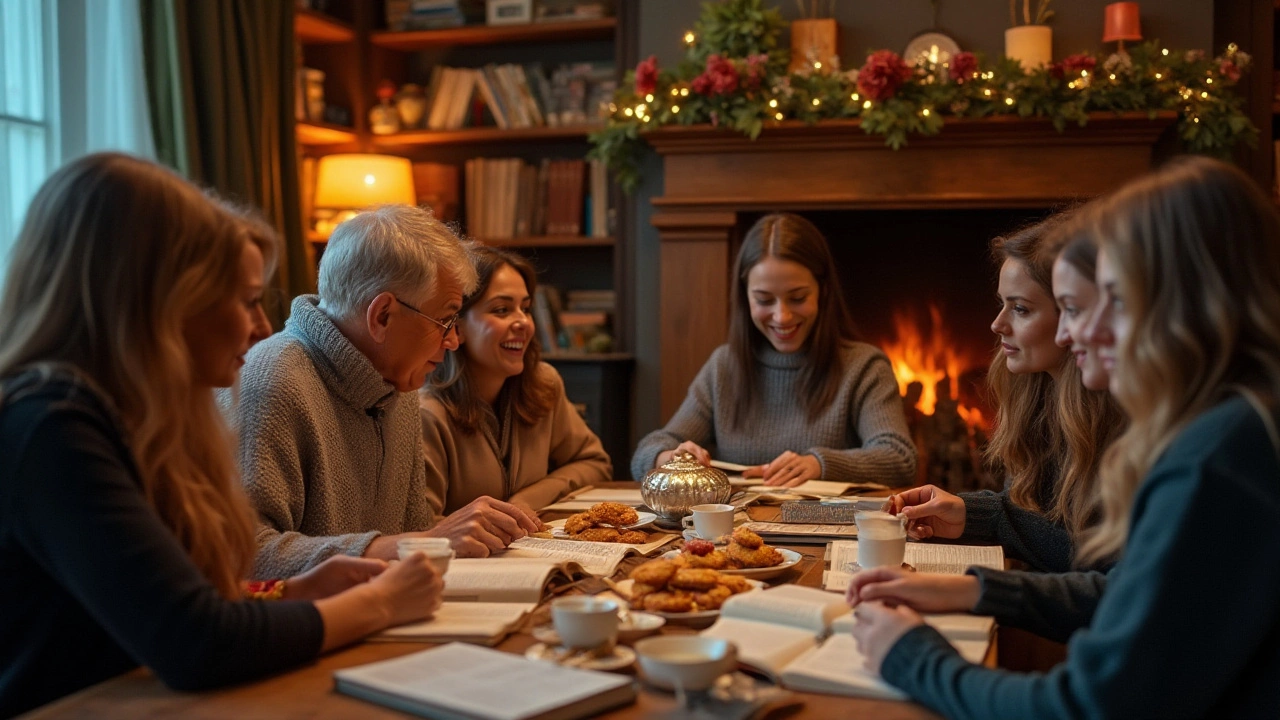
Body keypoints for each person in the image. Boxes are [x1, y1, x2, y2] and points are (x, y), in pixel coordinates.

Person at [0, 154, 444, 718]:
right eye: (245, 300)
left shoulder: (132, 418)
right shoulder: (51, 426)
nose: (262, 327)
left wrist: (289, 594)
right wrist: (378, 603)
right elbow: (194, 641)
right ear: (158, 299)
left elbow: (171, 600)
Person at [848, 156, 1280, 718]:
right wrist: (979, 589)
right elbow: (1128, 588)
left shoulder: (1217, 456)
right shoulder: (1240, 424)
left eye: (1112, 302)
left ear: (1186, 303)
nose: (1080, 332)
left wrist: (910, 655)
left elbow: (1085, 706)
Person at [229, 205, 541, 579]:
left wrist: (442, 536)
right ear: (382, 316)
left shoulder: (397, 384)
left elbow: (412, 528)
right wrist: (410, 544)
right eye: (445, 320)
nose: (454, 340)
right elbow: (243, 552)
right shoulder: (270, 381)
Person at [886, 215, 1125, 573]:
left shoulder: (1126, 419)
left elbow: (1097, 564)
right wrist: (969, 513)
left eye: (1021, 309)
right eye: (1002, 303)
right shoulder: (1035, 392)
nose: (997, 324)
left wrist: (987, 543)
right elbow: (1040, 525)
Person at [630, 213, 916, 487]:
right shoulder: (724, 366)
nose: (782, 316)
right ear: (745, 297)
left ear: (824, 290)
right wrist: (668, 458)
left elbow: (899, 458)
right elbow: (647, 451)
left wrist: (818, 464)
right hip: (737, 532)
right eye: (765, 300)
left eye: (798, 297)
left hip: (831, 533)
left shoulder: (864, 366)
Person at [421, 246, 611, 514]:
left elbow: (594, 462)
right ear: (456, 326)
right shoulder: (426, 413)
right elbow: (420, 529)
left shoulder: (544, 384)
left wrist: (525, 501)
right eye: (501, 310)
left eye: (526, 308)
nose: (523, 322)